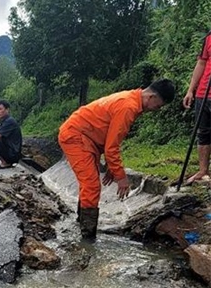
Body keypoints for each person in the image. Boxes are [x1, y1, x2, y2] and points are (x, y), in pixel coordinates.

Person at [58, 79, 176, 240]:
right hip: (76, 136)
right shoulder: (128, 106)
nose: (157, 109)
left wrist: (111, 168)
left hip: (87, 138)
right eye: (159, 105)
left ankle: (82, 224)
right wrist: (121, 178)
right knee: (91, 185)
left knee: (89, 185)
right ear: (152, 97)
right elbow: (111, 147)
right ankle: (87, 238)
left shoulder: (131, 100)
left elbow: (109, 138)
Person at [183, 30, 211, 185]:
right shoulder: (208, 38)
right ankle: (203, 171)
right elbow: (201, 63)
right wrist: (190, 90)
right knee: (203, 133)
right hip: (203, 94)